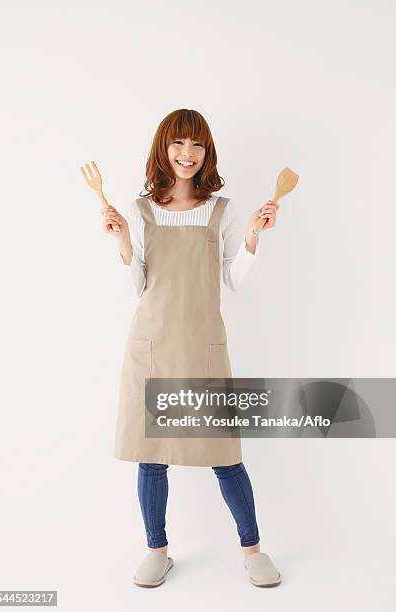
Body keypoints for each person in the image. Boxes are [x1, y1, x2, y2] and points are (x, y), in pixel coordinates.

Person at [101, 109, 281, 588]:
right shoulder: (141, 211)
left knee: (226, 456)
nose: (187, 154)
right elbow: (137, 283)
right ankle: (157, 550)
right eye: (178, 144)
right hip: (152, 346)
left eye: (197, 145)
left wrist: (253, 237)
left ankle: (253, 550)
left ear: (207, 152)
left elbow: (234, 279)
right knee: (151, 455)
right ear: (164, 149)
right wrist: (121, 242)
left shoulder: (222, 210)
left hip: (203, 347)